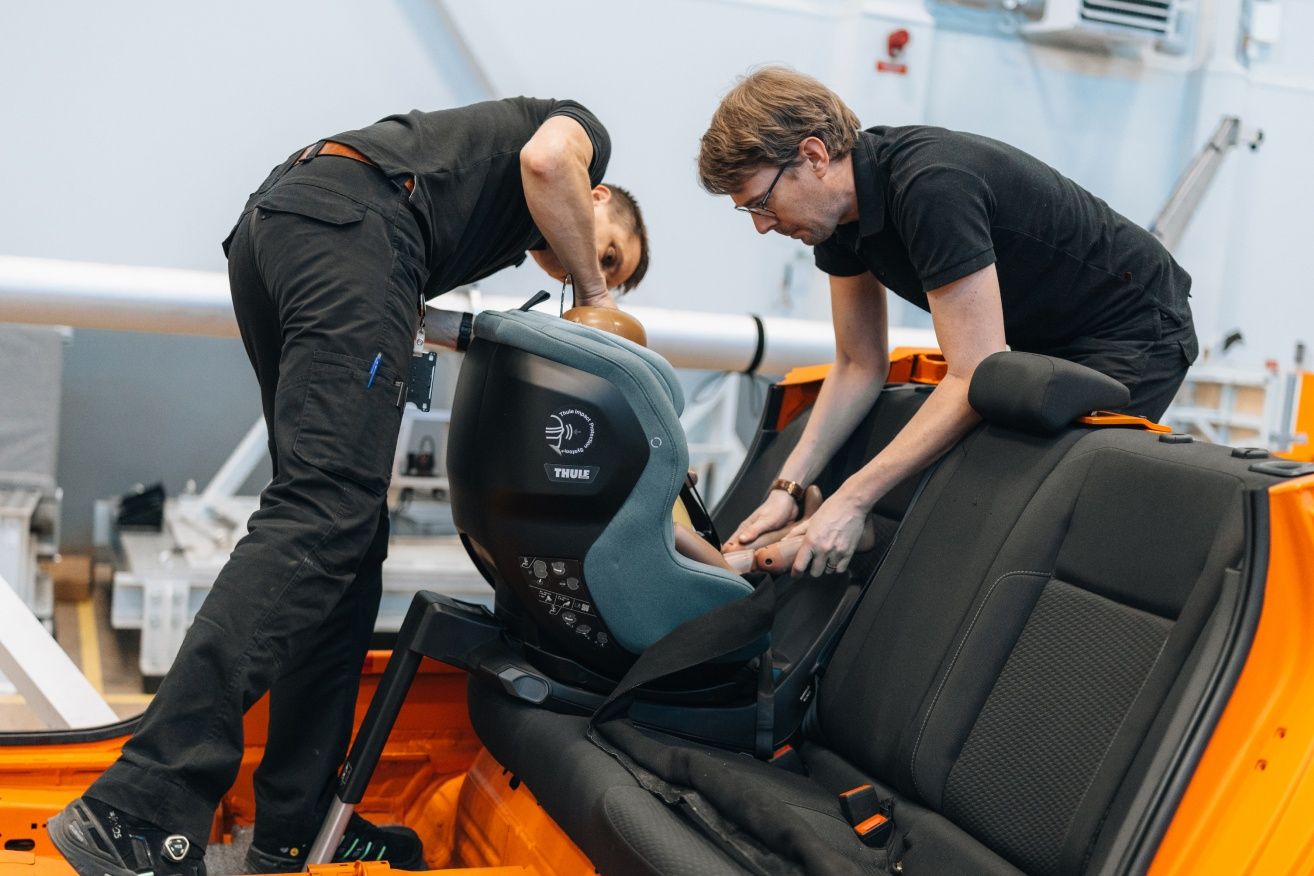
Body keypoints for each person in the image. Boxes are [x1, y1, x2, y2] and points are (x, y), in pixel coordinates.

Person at [49, 96, 649, 876]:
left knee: (349, 540)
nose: (584, 272)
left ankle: (294, 828)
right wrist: (598, 302)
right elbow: (547, 161)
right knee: (326, 511)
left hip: (280, 230)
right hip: (348, 225)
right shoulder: (578, 136)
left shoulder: (485, 214)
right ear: (596, 196)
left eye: (607, 273)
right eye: (610, 256)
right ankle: (138, 807)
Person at [702, 67, 1196, 579]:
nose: (761, 226)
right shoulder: (834, 222)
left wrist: (851, 500)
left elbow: (974, 370)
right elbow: (857, 364)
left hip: (1133, 330)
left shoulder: (931, 186)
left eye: (762, 202)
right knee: (952, 483)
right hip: (1038, 346)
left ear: (813, 156)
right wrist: (786, 490)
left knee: (1026, 513)